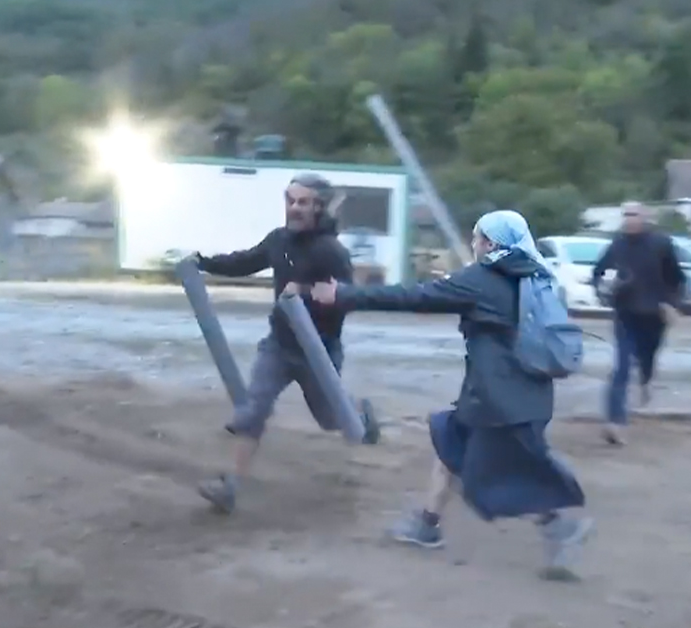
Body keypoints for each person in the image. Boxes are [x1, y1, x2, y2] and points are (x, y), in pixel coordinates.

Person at [311, 210, 594, 579]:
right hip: (520, 396)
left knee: (495, 476)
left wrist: (343, 295)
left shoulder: (484, 277)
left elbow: (414, 296)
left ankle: (561, 529)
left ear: (491, 244)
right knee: (450, 444)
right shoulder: (535, 275)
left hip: (498, 403)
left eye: (477, 238)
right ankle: (427, 524)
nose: (474, 244)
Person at [192, 172, 380, 514]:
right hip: (279, 344)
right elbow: (245, 261)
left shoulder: (331, 251)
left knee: (330, 419)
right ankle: (229, 488)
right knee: (255, 407)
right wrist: (203, 262)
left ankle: (360, 413)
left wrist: (311, 293)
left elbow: (351, 297)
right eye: (291, 201)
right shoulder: (278, 240)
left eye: (303, 202)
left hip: (318, 349)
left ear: (319, 208)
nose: (295, 208)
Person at [591, 201, 686, 446]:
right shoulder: (618, 244)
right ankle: (615, 422)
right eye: (626, 215)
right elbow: (598, 272)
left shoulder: (661, 244)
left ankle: (645, 380)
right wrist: (604, 289)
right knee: (621, 368)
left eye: (634, 215)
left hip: (655, 315)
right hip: (626, 314)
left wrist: (672, 304)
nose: (629, 219)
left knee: (647, 358)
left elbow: (676, 278)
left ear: (645, 218)